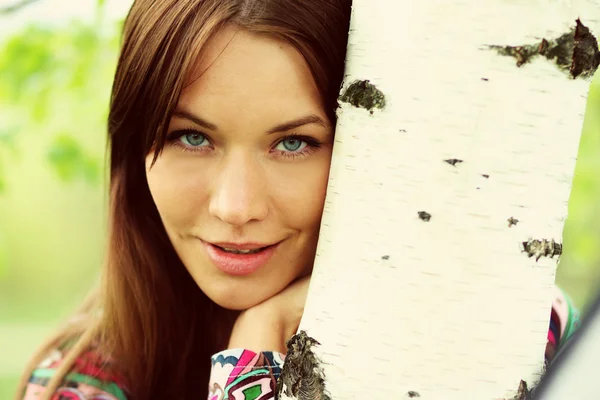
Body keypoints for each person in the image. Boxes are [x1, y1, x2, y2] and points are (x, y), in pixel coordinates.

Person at [15, 0, 579, 399]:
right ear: (136, 148)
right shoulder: (82, 383)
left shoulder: (520, 329)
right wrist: (254, 359)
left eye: (294, 142)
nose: (236, 207)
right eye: (192, 137)